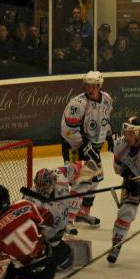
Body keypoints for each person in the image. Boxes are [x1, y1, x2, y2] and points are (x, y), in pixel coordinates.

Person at [60, 71, 113, 227]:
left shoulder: (107, 99)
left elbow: (105, 120)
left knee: (95, 180)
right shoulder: (78, 103)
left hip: (93, 147)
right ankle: (67, 220)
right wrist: (83, 145)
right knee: (81, 182)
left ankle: (82, 213)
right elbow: (67, 129)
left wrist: (109, 136)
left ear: (99, 85)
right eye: (88, 85)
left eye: (94, 86)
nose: (91, 89)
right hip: (75, 147)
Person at [106, 116, 140, 264]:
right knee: (126, 211)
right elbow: (118, 167)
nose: (126, 137)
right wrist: (128, 176)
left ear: (139, 134)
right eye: (125, 133)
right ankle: (116, 245)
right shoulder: (120, 144)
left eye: (130, 134)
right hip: (135, 178)